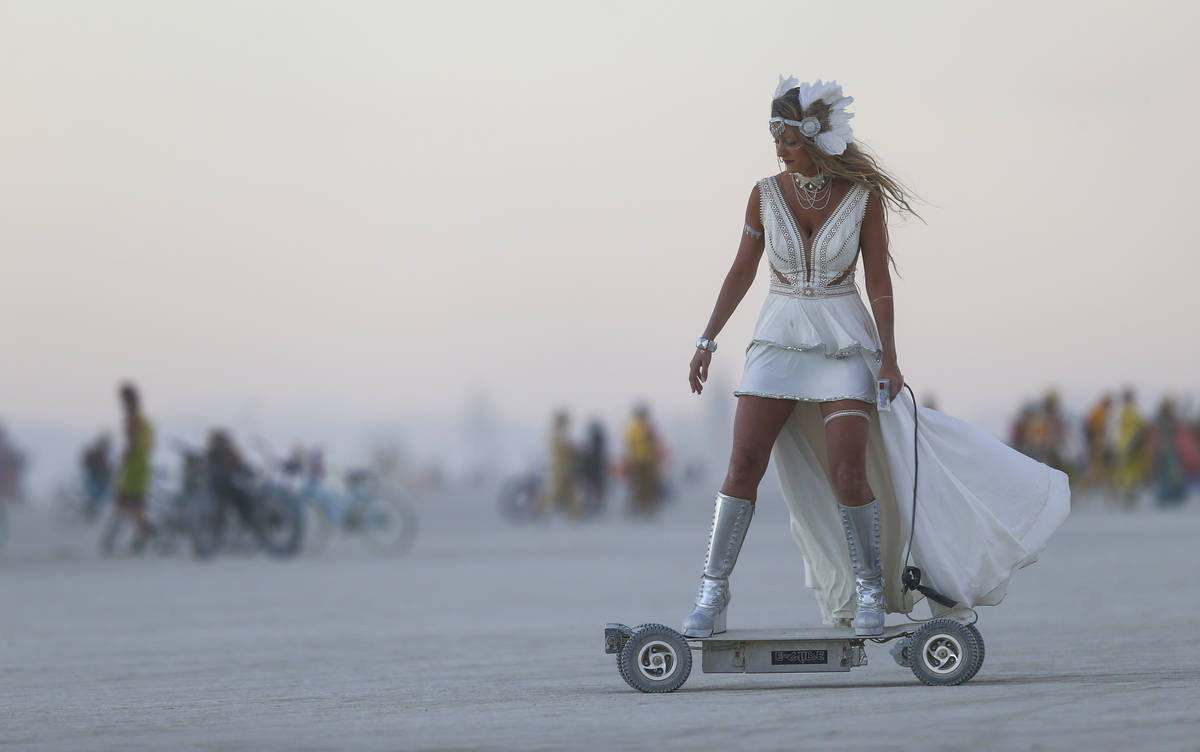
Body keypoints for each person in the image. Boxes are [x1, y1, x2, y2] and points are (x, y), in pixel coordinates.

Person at [679, 77, 1070, 638]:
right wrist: (706, 340)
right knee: (743, 464)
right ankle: (711, 597)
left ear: (816, 138)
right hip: (777, 339)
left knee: (847, 468)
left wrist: (888, 358)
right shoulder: (763, 193)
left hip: (843, 342)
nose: (780, 149)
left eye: (788, 139)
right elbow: (742, 268)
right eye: (776, 139)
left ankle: (869, 592)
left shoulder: (864, 198)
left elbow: (880, 281)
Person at [114, 383, 155, 548]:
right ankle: (143, 530)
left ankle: (146, 529)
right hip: (143, 460)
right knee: (136, 501)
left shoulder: (132, 417)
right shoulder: (142, 417)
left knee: (125, 500)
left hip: (135, 462)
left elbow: (131, 441)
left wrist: (123, 460)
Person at [624, 403, 665, 515]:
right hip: (638, 461)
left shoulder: (645, 427)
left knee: (648, 484)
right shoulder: (636, 428)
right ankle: (639, 505)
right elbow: (630, 444)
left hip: (646, 460)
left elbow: (654, 443)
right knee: (639, 484)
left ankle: (647, 506)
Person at [81, 433, 113, 521]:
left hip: (100, 481)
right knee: (94, 497)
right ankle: (90, 514)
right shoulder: (95, 453)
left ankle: (92, 514)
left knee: (99, 497)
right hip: (94, 479)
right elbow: (88, 464)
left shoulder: (103, 456)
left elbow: (106, 470)